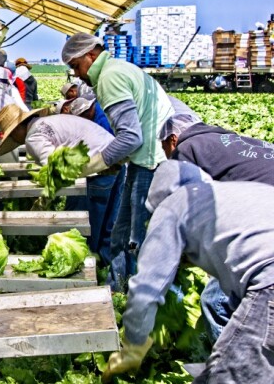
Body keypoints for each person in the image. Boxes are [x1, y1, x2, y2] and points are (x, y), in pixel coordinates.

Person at [104, 161, 274, 383]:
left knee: (226, 375)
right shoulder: (231, 194)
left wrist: (133, 348)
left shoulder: (171, 208)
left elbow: (146, 289)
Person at [61, 33, 173, 291]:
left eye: (76, 66)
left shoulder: (110, 76)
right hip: (147, 159)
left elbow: (131, 136)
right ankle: (117, 288)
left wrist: (96, 163)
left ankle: (139, 299)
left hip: (150, 163)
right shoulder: (120, 68)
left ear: (91, 55)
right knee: (122, 234)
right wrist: (119, 159)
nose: (77, 74)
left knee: (135, 239)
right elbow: (138, 127)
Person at [159, 113, 274, 341]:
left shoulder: (185, 150)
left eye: (164, 148)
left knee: (216, 301)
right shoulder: (224, 140)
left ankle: (237, 372)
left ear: (172, 140)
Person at [0, 105, 123, 261]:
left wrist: (42, 201)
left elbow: (54, 170)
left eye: (13, 136)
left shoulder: (33, 137)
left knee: (83, 225)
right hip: (115, 160)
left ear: (17, 130)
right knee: (109, 222)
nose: (15, 140)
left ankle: (85, 263)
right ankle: (106, 263)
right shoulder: (48, 122)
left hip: (95, 171)